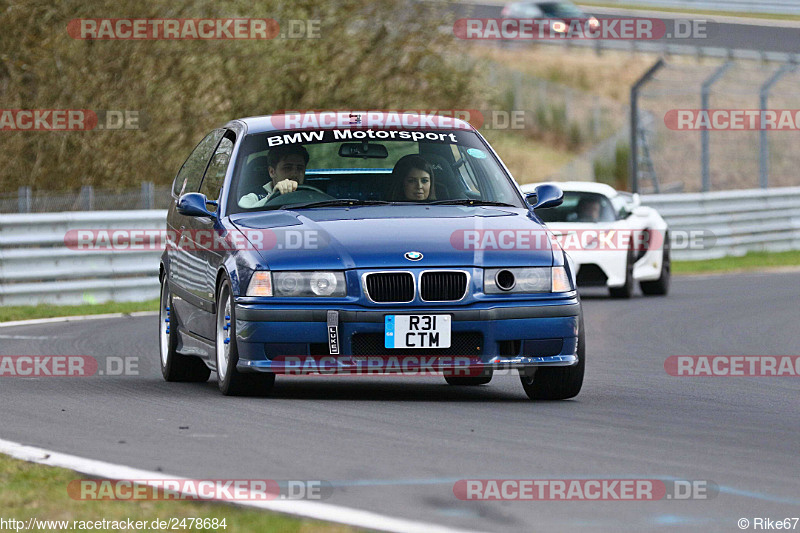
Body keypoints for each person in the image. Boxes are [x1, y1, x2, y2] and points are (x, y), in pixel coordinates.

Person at [239, 145, 309, 208]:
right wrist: (273, 196)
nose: (294, 174)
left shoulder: (312, 194)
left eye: (300, 168)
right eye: (287, 168)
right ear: (272, 172)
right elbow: (241, 217)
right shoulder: (253, 197)